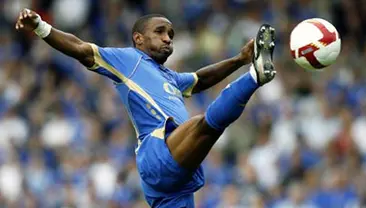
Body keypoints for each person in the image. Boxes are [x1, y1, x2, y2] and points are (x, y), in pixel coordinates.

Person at [16, 8, 276, 208]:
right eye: (160, 32)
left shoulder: (170, 78)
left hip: (176, 185)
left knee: (202, 126)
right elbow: (81, 49)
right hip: (158, 152)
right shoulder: (129, 60)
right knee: (204, 125)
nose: (167, 39)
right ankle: (255, 76)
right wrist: (40, 26)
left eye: (171, 35)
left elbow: (201, 79)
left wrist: (239, 59)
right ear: (138, 38)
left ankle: (251, 70)